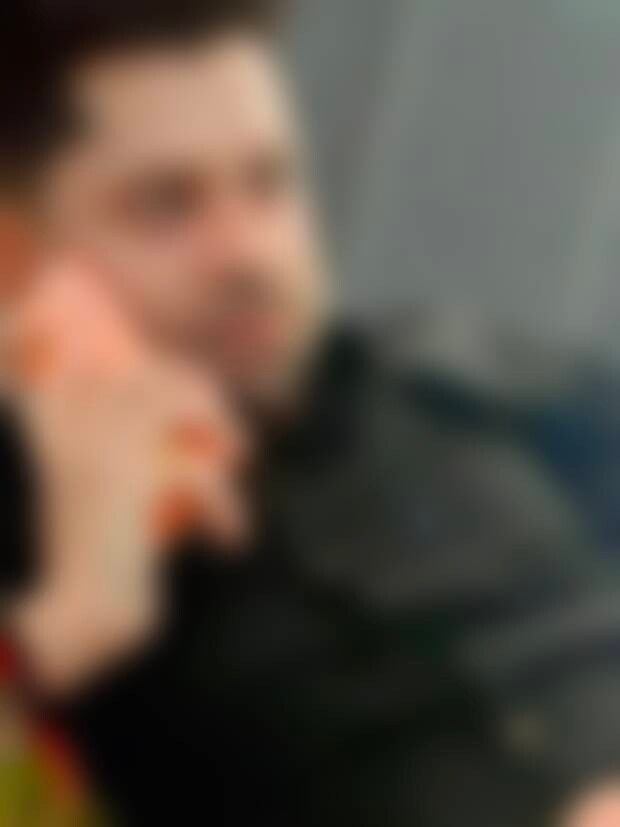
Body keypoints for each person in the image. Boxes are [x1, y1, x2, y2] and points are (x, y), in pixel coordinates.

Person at [1, 2, 620, 825]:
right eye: (164, 206)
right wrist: (77, 611)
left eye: (270, 183)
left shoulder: (470, 386)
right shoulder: (40, 557)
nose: (248, 253)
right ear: (17, 256)